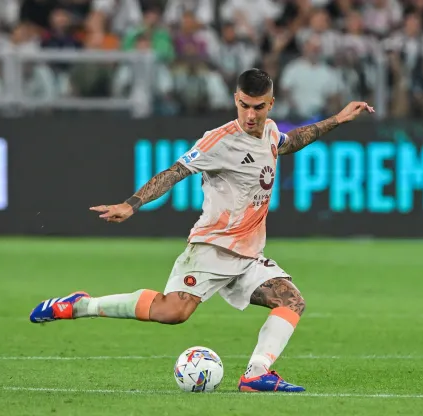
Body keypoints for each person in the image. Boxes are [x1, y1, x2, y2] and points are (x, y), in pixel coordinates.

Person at [29, 68, 374, 392]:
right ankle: (80, 305)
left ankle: (256, 374)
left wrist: (339, 119)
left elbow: (291, 141)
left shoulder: (268, 131)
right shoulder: (219, 141)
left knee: (291, 300)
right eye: (243, 105)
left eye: (257, 107)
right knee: (172, 312)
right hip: (212, 248)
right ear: (235, 99)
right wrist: (131, 203)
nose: (249, 115)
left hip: (249, 255)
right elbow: (175, 172)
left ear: (270, 104)